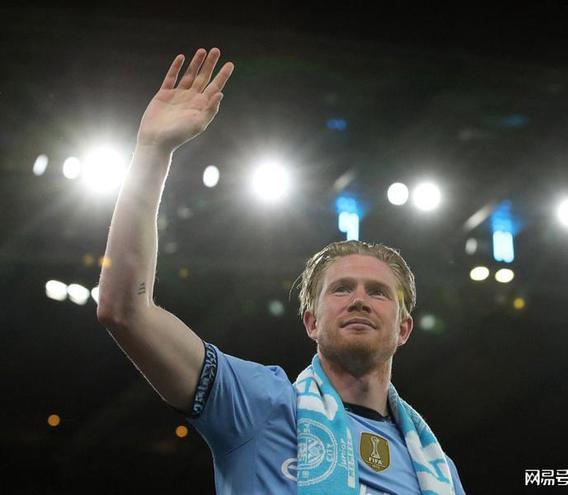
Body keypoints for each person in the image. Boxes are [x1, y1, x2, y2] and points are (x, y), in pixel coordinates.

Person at [97, 47, 466, 494]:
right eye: (341, 289)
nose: (359, 299)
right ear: (311, 321)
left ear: (404, 328)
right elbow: (126, 311)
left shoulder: (436, 468)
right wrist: (152, 152)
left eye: (378, 292)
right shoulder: (258, 403)